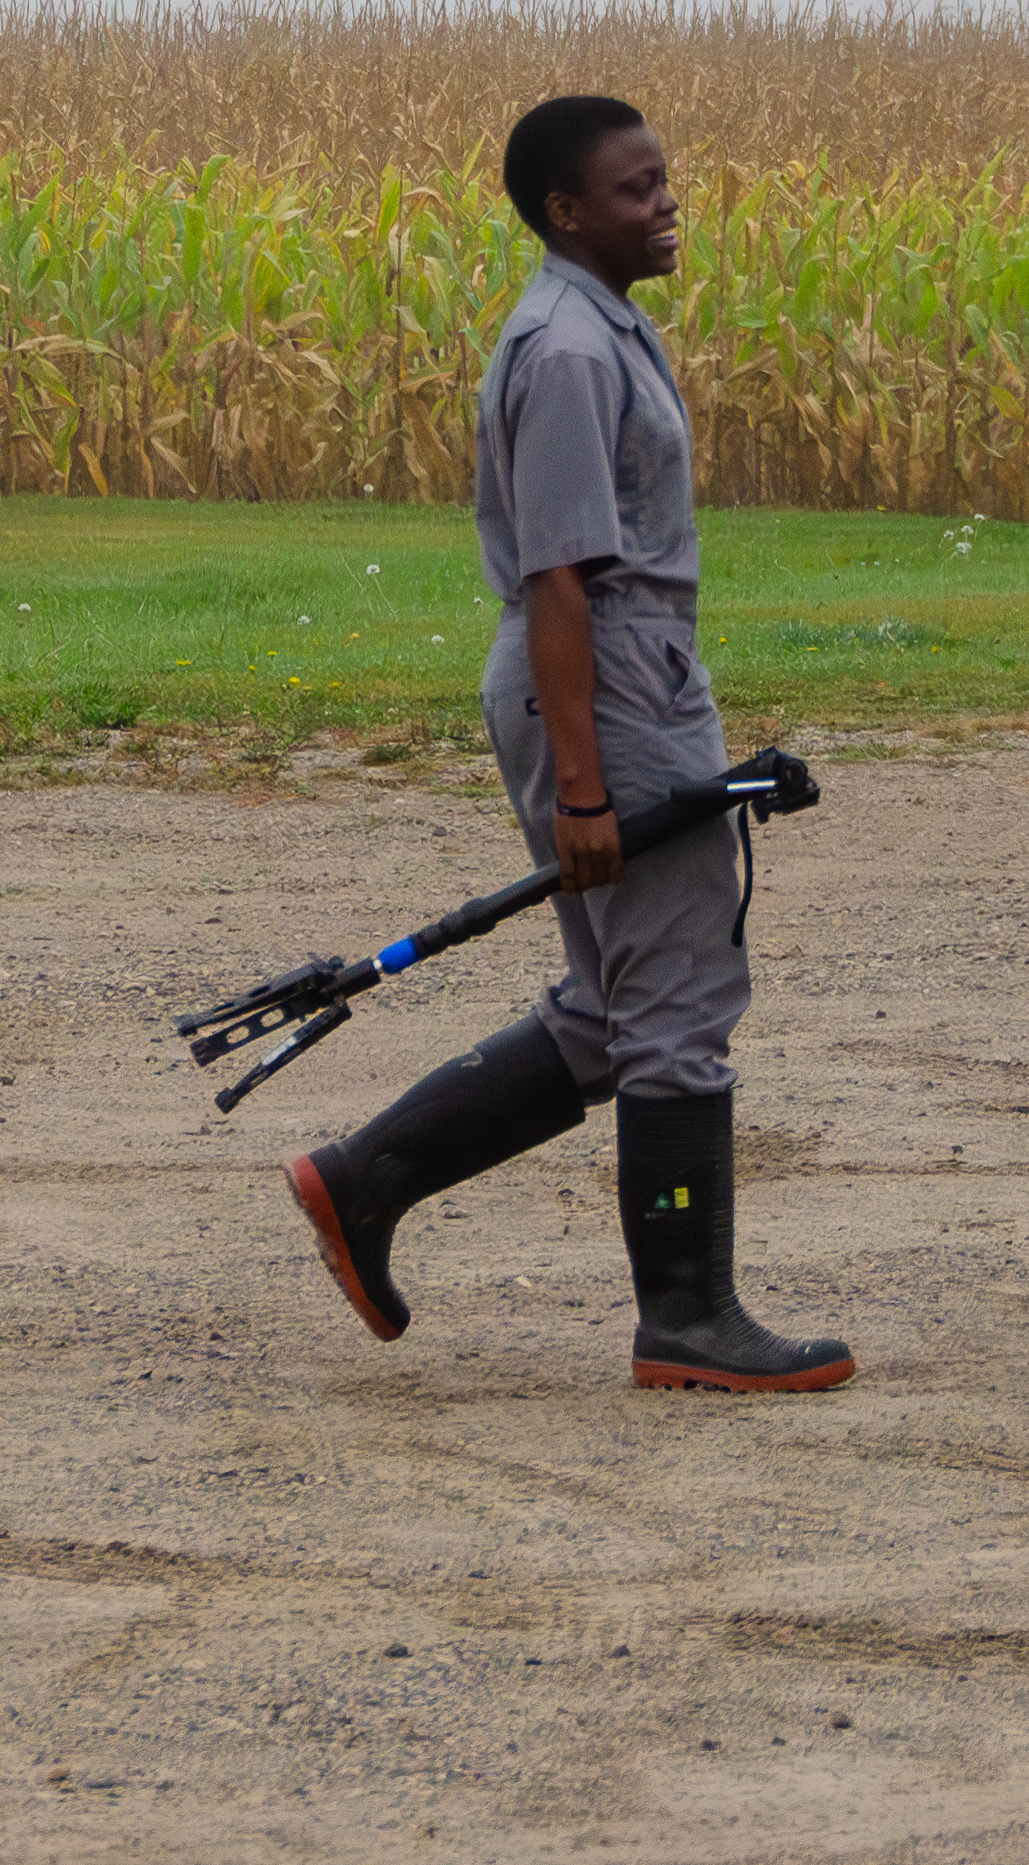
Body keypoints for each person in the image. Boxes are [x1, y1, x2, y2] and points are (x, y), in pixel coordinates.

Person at [281, 97, 852, 1394]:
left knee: (614, 1007)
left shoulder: (598, 329)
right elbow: (555, 579)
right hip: (600, 688)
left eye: (665, 181)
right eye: (636, 188)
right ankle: (686, 1319)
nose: (666, 204)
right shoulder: (570, 353)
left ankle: (363, 1178)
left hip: (615, 681)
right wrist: (587, 790)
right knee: (674, 1010)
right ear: (564, 211)